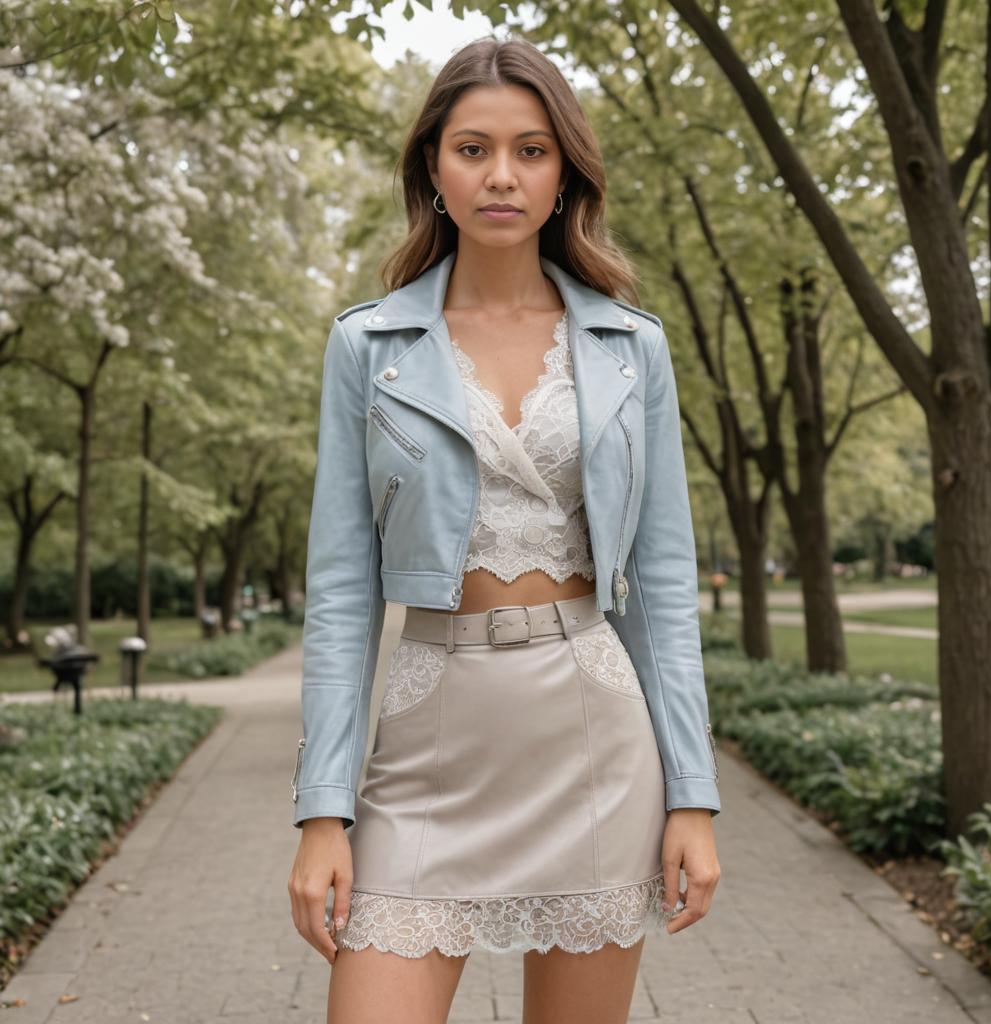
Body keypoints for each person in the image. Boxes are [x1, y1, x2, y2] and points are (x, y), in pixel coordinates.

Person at [287, 34, 722, 1024]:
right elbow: (344, 591)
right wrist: (323, 811)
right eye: (472, 148)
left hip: (592, 742)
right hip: (429, 739)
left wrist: (691, 795)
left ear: (564, 172)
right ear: (433, 169)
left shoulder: (628, 347)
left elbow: (660, 585)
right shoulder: (369, 345)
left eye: (530, 150)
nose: (501, 175)